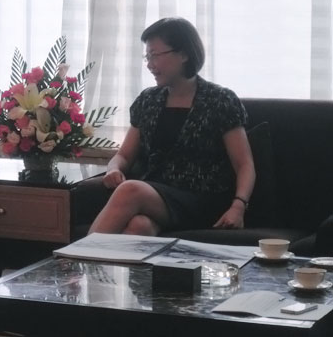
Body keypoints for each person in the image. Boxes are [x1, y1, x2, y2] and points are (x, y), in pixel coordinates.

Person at [89, 17, 255, 236]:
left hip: (203, 199)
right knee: (140, 226)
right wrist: (114, 169)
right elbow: (124, 156)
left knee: (130, 189)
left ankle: (78, 257)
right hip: (158, 198)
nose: (150, 64)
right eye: (147, 57)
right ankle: (102, 260)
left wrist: (238, 206)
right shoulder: (148, 100)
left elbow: (244, 164)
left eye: (155, 55)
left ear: (184, 54)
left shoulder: (220, 100)